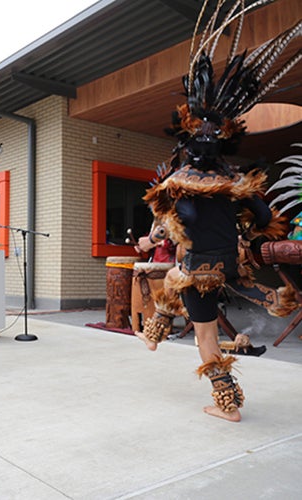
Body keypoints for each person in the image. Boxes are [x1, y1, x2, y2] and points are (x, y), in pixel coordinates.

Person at [133, 4, 299, 422]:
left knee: (204, 334)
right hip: (224, 265)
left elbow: (177, 225)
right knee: (173, 278)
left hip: (200, 269)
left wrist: (155, 239)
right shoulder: (236, 183)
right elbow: (265, 220)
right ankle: (156, 329)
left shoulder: (177, 185)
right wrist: (247, 229)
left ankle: (227, 402)